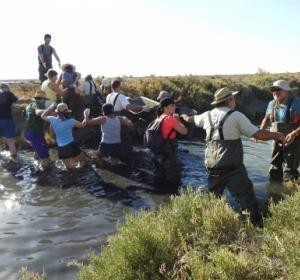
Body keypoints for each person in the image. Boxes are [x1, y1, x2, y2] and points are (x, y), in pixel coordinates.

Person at [182, 87, 285, 226]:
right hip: (232, 167)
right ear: (228, 100)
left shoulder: (206, 115)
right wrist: (276, 135)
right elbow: (258, 134)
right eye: (233, 98)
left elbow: (191, 119)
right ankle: (255, 226)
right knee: (247, 198)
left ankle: (209, 225)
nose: (234, 100)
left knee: (213, 198)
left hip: (212, 166)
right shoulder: (236, 116)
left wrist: (182, 116)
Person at [260, 80, 300, 184]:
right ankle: (274, 192)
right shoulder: (271, 103)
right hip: (276, 141)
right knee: (274, 167)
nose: (275, 92)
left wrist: (294, 133)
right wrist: (260, 132)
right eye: (273, 90)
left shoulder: (296, 103)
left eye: (278, 89)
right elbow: (267, 119)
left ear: (287, 91)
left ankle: (292, 196)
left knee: (290, 171)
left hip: (294, 142)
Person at [151, 97, 188, 191]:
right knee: (173, 183)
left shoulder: (158, 118)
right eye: (172, 105)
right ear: (165, 108)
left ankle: (160, 202)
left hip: (157, 155)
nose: (175, 106)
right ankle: (171, 202)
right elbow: (184, 131)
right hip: (168, 157)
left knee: (159, 180)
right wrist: (178, 120)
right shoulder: (169, 119)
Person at [41, 103, 89, 170]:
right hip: (71, 145)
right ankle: (79, 172)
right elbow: (83, 125)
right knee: (82, 160)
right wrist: (86, 115)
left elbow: (42, 115)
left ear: (57, 112)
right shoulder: (71, 121)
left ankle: (71, 177)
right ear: (67, 112)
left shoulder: (52, 119)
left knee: (69, 168)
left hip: (61, 148)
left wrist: (50, 107)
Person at [24, 90, 50, 168]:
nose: (44, 101)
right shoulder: (39, 104)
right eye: (44, 99)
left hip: (27, 132)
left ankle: (35, 165)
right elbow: (38, 112)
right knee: (45, 156)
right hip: (35, 133)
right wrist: (50, 110)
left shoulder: (28, 105)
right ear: (42, 98)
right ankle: (45, 174)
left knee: (36, 149)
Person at [0, 84, 19, 160]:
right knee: (10, 141)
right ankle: (14, 159)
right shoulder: (8, 93)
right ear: (6, 88)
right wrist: (28, 100)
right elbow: (17, 101)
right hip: (6, 120)